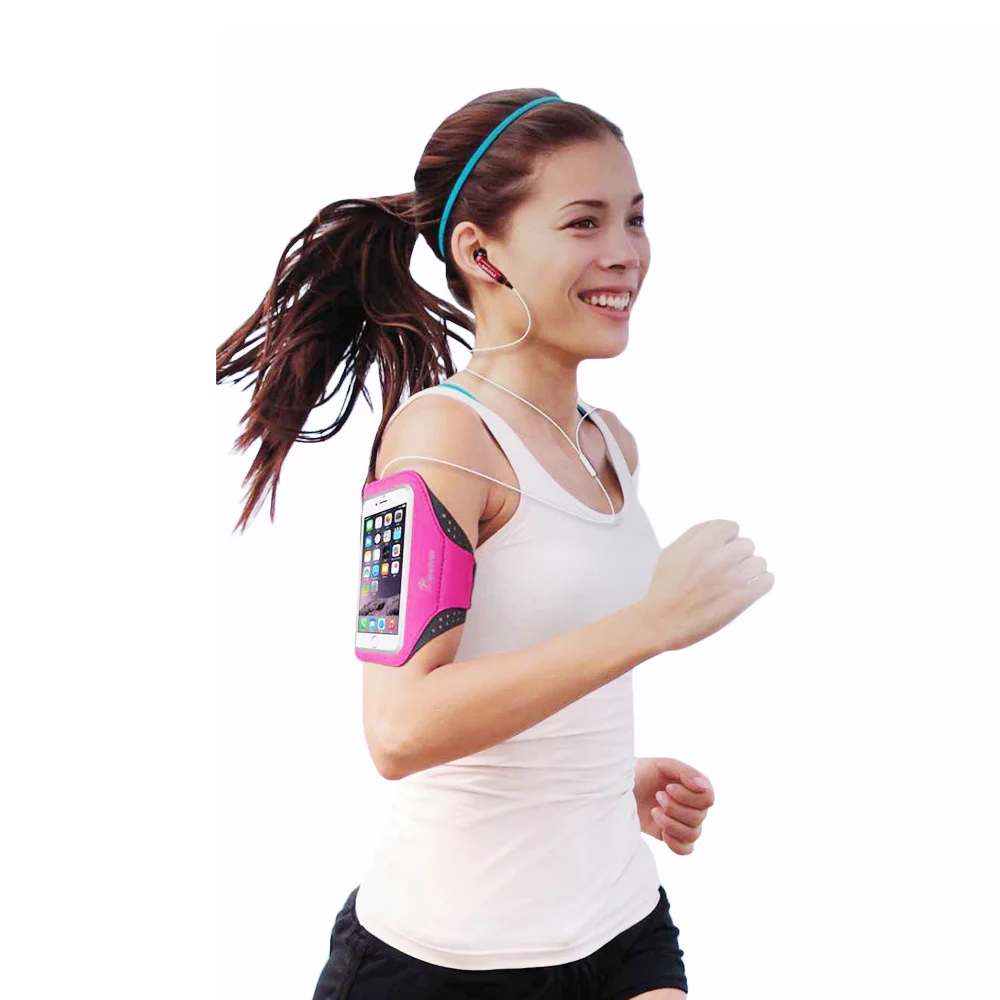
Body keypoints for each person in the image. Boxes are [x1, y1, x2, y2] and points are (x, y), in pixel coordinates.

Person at [217, 87, 774, 1000]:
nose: (625, 252)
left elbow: (531, 657)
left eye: (635, 218)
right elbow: (400, 729)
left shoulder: (611, 444)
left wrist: (604, 779)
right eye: (585, 222)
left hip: (620, 926)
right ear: (483, 254)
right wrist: (653, 623)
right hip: (443, 962)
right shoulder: (441, 440)